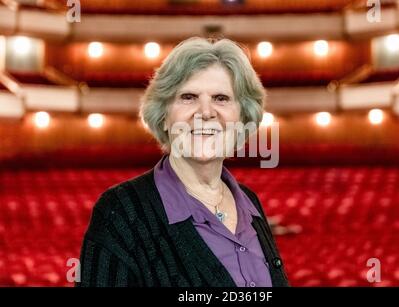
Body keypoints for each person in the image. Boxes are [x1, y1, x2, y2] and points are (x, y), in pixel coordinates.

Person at [76, 37, 289, 287]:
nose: (206, 112)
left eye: (221, 98)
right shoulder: (121, 212)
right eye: (188, 97)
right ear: (164, 116)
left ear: (242, 119)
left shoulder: (250, 202)